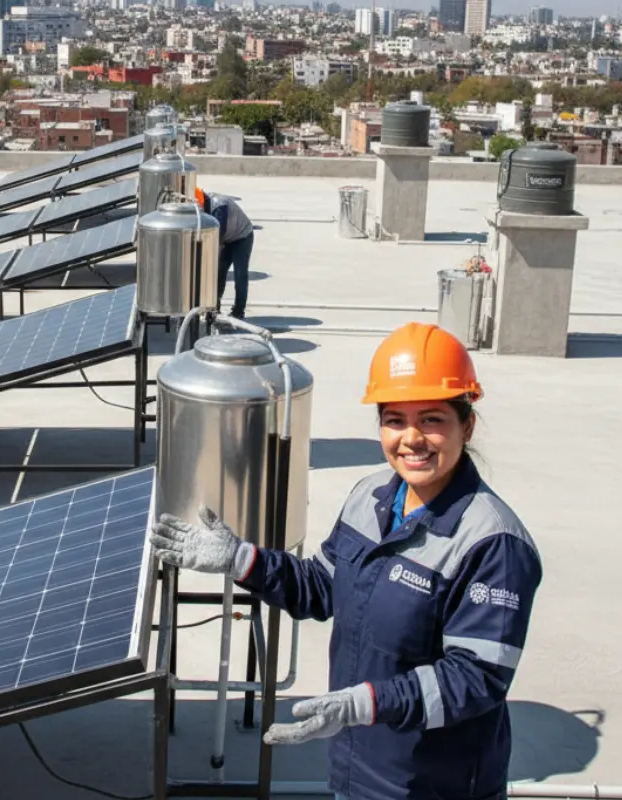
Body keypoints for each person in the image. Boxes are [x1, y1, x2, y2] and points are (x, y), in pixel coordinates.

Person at [151, 322, 542, 800]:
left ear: (468, 424)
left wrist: (367, 702)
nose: (412, 438)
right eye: (395, 419)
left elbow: (476, 678)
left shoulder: (492, 542)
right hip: (357, 770)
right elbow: (323, 585)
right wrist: (241, 559)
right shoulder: (370, 497)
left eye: (432, 419)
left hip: (434, 786)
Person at [196, 186, 255, 319]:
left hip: (242, 238)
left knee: (240, 274)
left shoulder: (219, 207)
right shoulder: (205, 203)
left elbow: (216, 238)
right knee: (218, 273)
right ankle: (214, 308)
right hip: (227, 238)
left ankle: (238, 311)